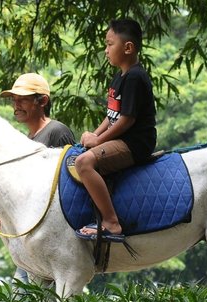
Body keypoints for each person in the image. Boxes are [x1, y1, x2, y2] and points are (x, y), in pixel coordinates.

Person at [0, 72, 75, 283]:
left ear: (42, 101)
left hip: (50, 240)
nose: (16, 105)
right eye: (14, 100)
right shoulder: (28, 140)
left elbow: (64, 186)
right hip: (31, 239)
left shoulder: (57, 131)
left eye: (23, 100)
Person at [75, 19, 157, 242]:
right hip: (120, 137)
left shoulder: (135, 77)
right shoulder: (119, 76)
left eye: (110, 44)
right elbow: (111, 114)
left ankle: (111, 222)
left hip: (134, 142)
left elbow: (126, 120)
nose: (106, 50)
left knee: (83, 163)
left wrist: (98, 141)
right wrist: (94, 135)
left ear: (128, 47)